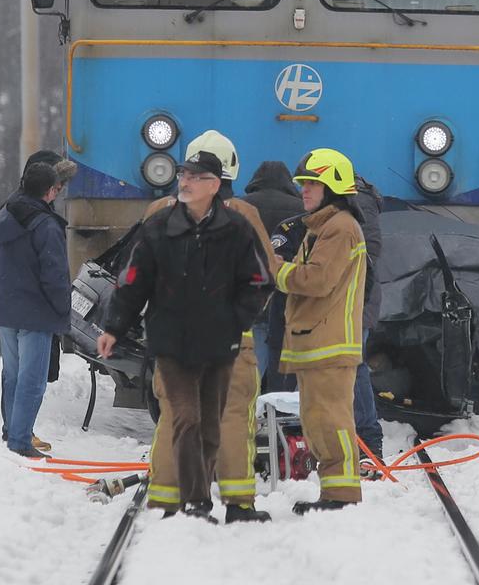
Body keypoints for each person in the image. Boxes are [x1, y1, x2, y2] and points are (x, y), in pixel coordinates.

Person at [97, 150, 272, 521]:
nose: (186, 182)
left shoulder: (159, 218)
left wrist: (119, 325)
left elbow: (131, 278)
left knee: (179, 418)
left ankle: (170, 500)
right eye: (185, 175)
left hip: (185, 343)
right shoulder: (241, 219)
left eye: (194, 176)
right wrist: (238, 319)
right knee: (231, 416)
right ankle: (234, 504)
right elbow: (263, 276)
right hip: (220, 345)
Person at [272, 148, 368, 513]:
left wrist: (276, 269)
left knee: (330, 421)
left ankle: (342, 497)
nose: (304, 191)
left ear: (333, 187)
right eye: (303, 184)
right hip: (315, 342)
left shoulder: (340, 228)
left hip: (329, 343)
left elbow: (316, 280)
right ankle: (334, 493)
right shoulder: (323, 228)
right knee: (318, 421)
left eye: (313, 183)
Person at [0, 149, 77, 453]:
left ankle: (11, 430)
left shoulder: (5, 213)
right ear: (49, 191)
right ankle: (21, 440)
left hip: (8, 309)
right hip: (37, 313)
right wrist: (64, 308)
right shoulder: (47, 226)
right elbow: (55, 275)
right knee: (32, 380)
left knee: (12, 375)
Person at [241, 161, 305, 391]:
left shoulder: (242, 206)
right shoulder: (302, 209)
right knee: (284, 371)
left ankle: (249, 412)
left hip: (253, 296)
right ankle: (277, 412)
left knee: (251, 367)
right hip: (286, 299)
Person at [349, 177, 385, 470]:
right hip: (359, 301)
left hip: (354, 303)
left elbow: (367, 254)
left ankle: (368, 442)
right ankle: (367, 442)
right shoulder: (364, 202)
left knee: (354, 366)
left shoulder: (356, 202)